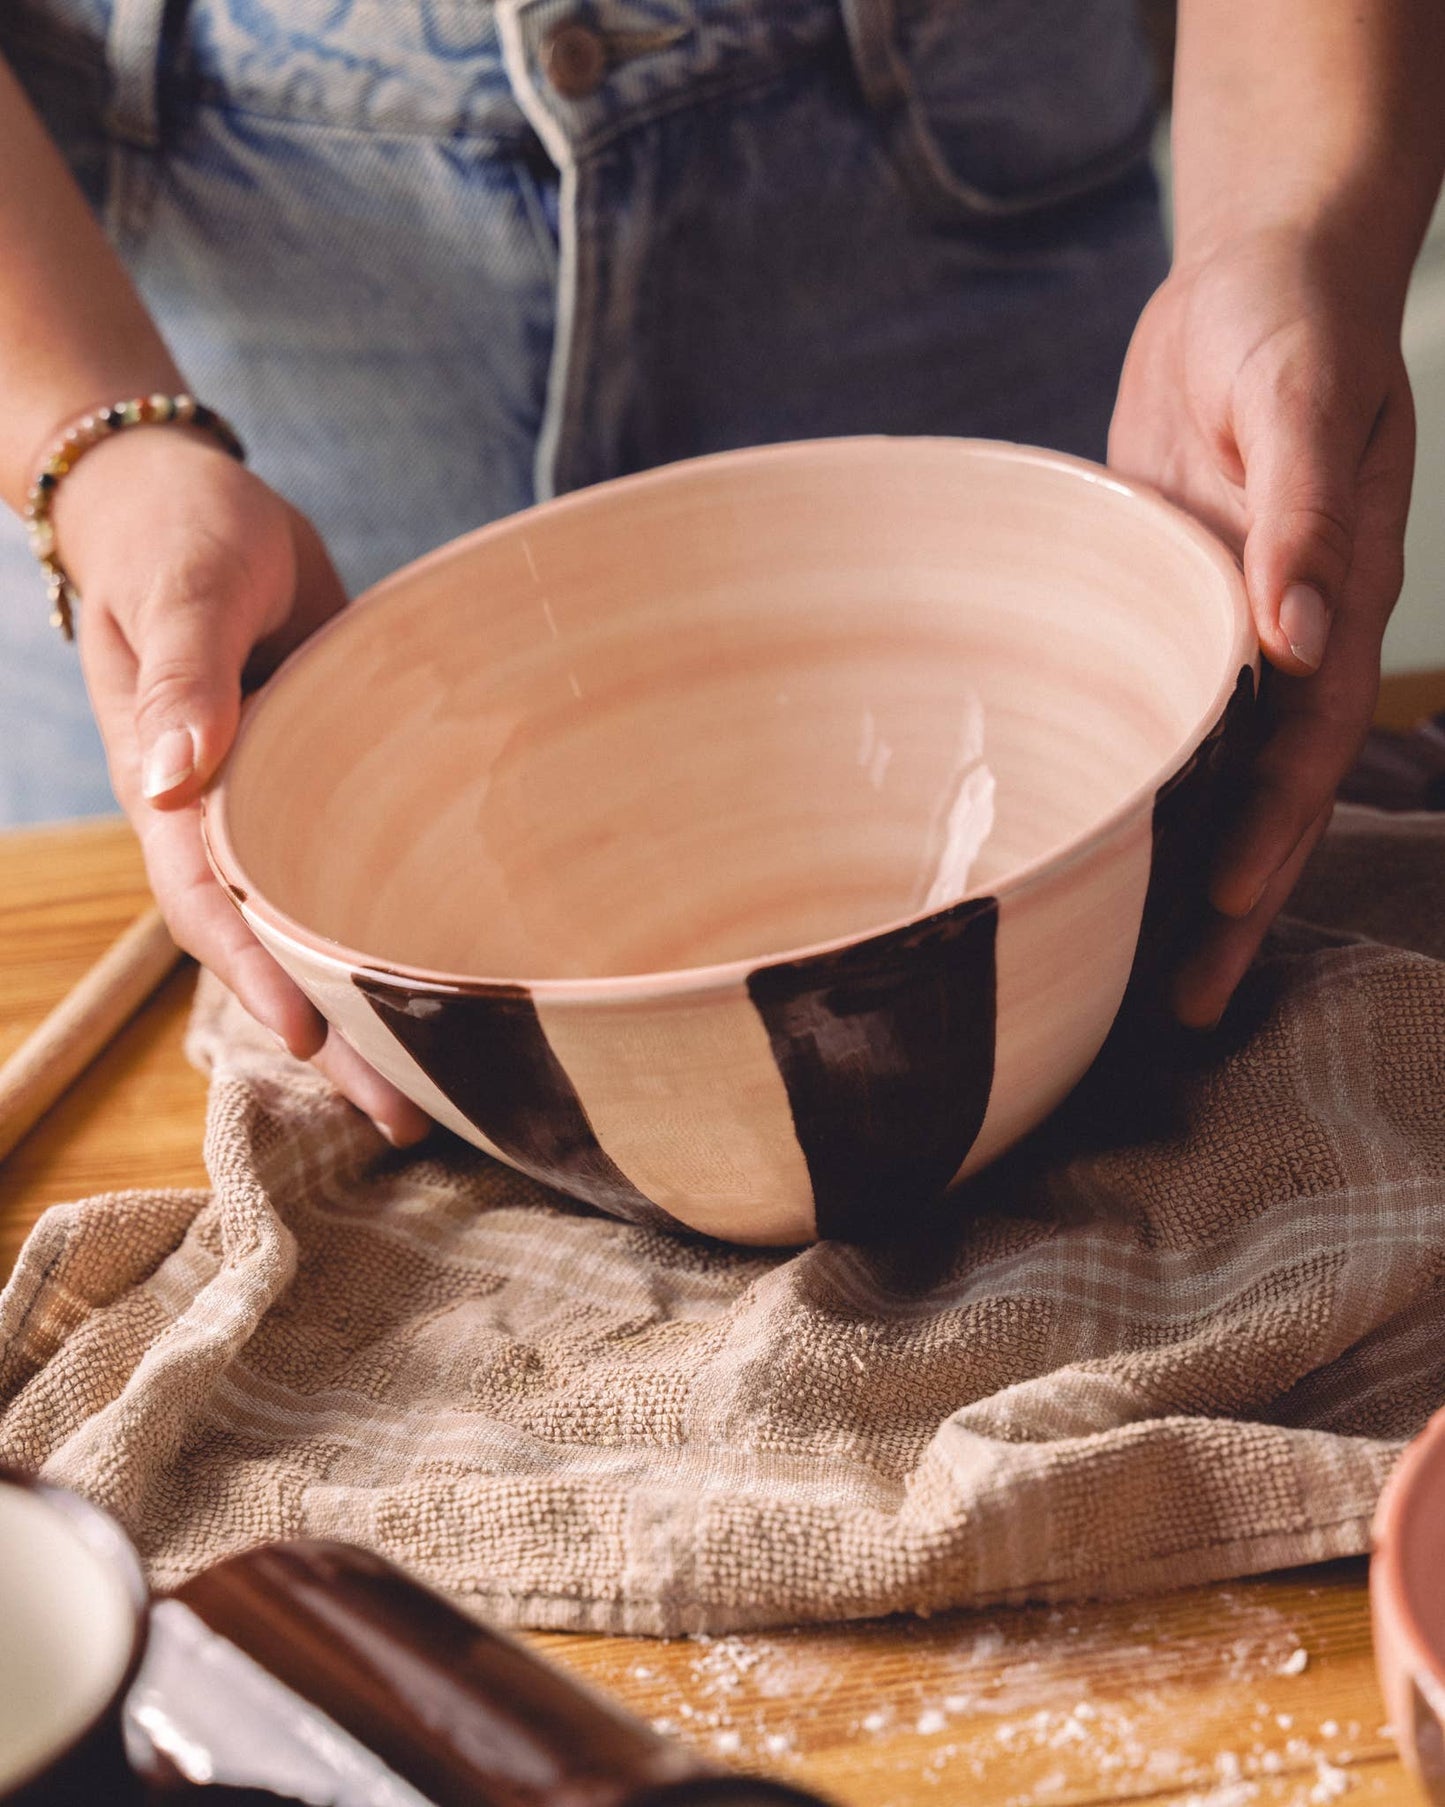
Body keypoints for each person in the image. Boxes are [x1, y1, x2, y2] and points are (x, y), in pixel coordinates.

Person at [1, 0, 1441, 1147]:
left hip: (956, 193)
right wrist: (101, 451)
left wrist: (1291, 219)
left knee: (1149, 901)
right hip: (140, 316)